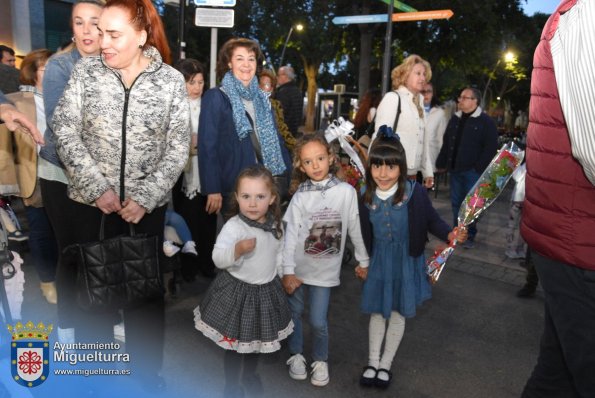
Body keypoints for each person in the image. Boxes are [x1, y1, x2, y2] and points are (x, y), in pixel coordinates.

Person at [52, 0, 189, 390]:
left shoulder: (169, 82)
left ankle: (147, 379)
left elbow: (178, 147)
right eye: (99, 32)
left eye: (113, 34)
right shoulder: (86, 72)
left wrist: (146, 197)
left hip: (144, 213)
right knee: (91, 299)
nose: (100, 41)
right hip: (91, 210)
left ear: (141, 36)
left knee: (144, 299)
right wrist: (98, 189)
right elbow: (63, 130)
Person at [520, 1, 595, 396]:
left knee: (558, 375)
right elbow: (592, 147)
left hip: (574, 233)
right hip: (577, 237)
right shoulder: (587, 17)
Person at [355, 128, 466, 389]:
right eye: (377, 166)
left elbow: (432, 221)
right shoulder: (364, 195)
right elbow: (359, 232)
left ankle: (386, 365)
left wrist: (450, 233)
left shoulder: (414, 193)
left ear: (401, 167)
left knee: (397, 313)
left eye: (391, 167)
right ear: (370, 167)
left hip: (406, 261)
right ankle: (372, 362)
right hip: (379, 261)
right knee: (377, 313)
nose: (383, 174)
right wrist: (363, 262)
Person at [194, 165, 292, 396]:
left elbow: (278, 252)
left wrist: (282, 274)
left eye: (260, 197)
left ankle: (249, 375)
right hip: (238, 294)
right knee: (235, 347)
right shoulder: (234, 227)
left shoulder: (276, 225)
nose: (252, 203)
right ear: (237, 197)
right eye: (246, 196)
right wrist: (236, 250)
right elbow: (218, 258)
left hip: (265, 292)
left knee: (255, 344)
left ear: (272, 199)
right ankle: (231, 385)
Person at [40, 0, 104, 345]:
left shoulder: (117, 66)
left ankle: (103, 316)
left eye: (94, 22)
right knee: (71, 252)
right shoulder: (60, 67)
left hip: (103, 179)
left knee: (101, 251)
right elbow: (62, 127)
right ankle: (67, 323)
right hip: (61, 175)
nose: (86, 30)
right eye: (79, 23)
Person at [282, 134, 369, 387]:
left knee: (319, 321)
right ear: (300, 166)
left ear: (331, 158)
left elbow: (354, 227)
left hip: (325, 272)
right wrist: (287, 271)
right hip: (297, 269)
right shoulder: (299, 196)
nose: (316, 165)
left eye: (320, 158)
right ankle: (296, 355)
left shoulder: (346, 192)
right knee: (295, 313)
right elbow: (290, 237)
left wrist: (363, 259)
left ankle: (320, 359)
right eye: (308, 162)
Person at [199, 38, 292, 217]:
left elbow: (278, 140)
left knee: (268, 241)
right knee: (241, 242)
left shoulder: (263, 99)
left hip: (267, 185)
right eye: (239, 59)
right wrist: (212, 188)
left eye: (251, 59)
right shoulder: (216, 97)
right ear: (229, 63)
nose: (246, 64)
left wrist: (289, 179)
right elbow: (207, 147)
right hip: (235, 188)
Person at [0, 49, 59, 304]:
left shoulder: (67, 97)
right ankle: (47, 280)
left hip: (66, 175)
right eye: (46, 68)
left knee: (64, 230)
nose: (52, 73)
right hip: (34, 174)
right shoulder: (18, 100)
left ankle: (65, 276)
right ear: (34, 72)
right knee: (41, 230)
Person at [436, 87, 498, 248]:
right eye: (460, 97)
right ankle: (458, 233)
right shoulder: (455, 119)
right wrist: (442, 163)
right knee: (456, 203)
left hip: (473, 173)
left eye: (464, 97)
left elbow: (490, 148)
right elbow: (447, 142)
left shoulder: (486, 122)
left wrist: (478, 168)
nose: (460, 100)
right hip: (455, 170)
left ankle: (469, 234)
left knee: (471, 206)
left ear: (475, 101)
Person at [171, 58, 217, 279]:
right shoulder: (173, 105)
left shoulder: (209, 105)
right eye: (191, 82)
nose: (197, 87)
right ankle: (187, 268)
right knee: (185, 219)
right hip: (182, 173)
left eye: (200, 82)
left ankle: (206, 263)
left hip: (207, 170)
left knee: (207, 219)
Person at [372, 54, 434, 189]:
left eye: (424, 74)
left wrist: (427, 172)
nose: (423, 78)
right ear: (405, 75)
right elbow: (378, 137)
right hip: (391, 174)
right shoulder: (393, 98)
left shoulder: (420, 103)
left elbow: (423, 141)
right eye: (418, 73)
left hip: (412, 175)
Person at [259, 69, 296, 152]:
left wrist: (298, 146)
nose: (261, 89)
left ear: (272, 89)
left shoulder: (275, 106)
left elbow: (283, 130)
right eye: (259, 85)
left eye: (266, 85)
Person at [422, 82, 449, 174]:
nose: (425, 94)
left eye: (429, 91)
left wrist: (442, 161)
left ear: (433, 94)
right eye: (422, 91)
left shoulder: (439, 113)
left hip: (430, 158)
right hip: (411, 161)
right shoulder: (411, 110)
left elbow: (441, 138)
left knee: (425, 187)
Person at [274, 65, 303, 137]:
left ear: (285, 76)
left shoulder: (283, 92)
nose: (277, 77)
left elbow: (278, 115)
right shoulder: (298, 91)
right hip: (293, 132)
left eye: (278, 75)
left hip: (283, 134)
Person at [505, 162, 526, 260]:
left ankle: (512, 249)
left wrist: (513, 166)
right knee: (522, 226)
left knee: (512, 225)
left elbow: (517, 176)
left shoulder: (526, 164)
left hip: (518, 198)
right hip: (526, 199)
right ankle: (518, 249)